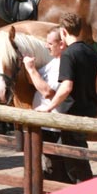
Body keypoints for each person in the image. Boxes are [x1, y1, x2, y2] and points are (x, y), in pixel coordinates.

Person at [34, 13, 97, 184]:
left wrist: (48, 107)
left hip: (71, 115)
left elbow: (66, 86)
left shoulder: (69, 55)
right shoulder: (92, 52)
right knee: (77, 160)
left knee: (76, 166)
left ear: (63, 32)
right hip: (88, 111)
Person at [23, 27, 65, 171]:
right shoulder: (52, 63)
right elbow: (34, 80)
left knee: (56, 169)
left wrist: (31, 69)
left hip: (54, 126)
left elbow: (47, 91)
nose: (46, 46)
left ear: (61, 44)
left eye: (50, 43)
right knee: (49, 167)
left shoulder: (62, 65)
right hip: (46, 124)